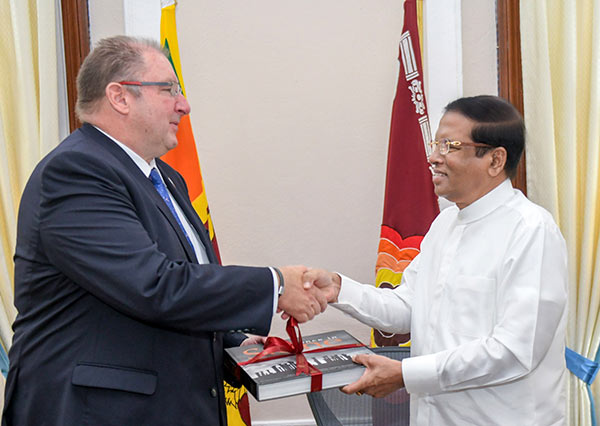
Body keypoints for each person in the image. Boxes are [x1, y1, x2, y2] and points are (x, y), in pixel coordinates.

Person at [2, 36, 327, 426]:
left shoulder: (165, 178)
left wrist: (234, 342)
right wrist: (275, 285)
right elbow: (152, 286)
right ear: (120, 97)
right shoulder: (76, 172)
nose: (184, 104)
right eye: (169, 89)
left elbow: (172, 294)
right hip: (96, 414)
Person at [307, 95, 568, 425]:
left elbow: (515, 352)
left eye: (450, 146)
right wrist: (337, 290)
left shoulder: (532, 230)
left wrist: (406, 374)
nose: (433, 158)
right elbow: (407, 307)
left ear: (495, 160)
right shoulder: (445, 224)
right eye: (436, 144)